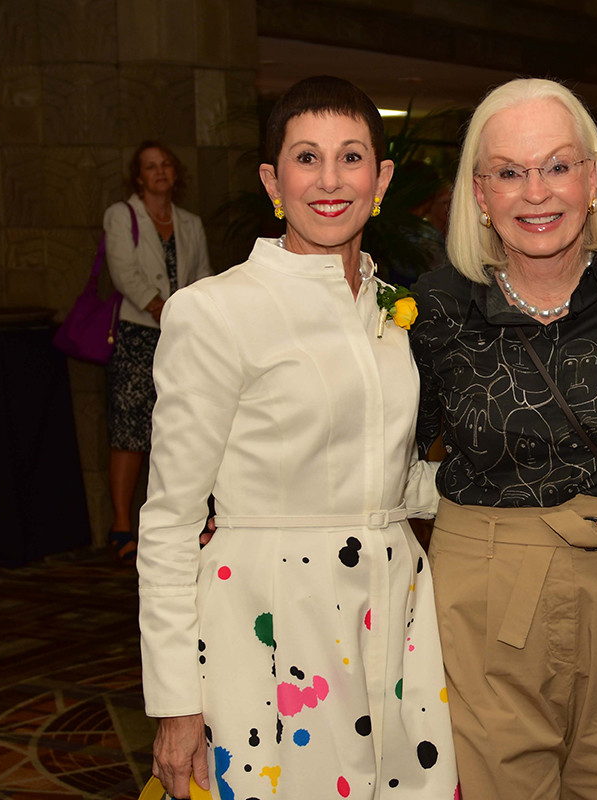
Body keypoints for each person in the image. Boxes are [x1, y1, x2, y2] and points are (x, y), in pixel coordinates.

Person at [137, 76, 457, 799]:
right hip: (268, 622)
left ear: (382, 180)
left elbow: (386, 475)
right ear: (272, 181)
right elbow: (170, 521)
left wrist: (509, 474)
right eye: (307, 157)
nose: (330, 179)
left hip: (391, 612)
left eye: (351, 157)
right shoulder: (216, 311)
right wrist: (176, 701)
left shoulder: (389, 309)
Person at [409, 78, 597, 800]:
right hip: (484, 585)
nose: (536, 193)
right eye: (509, 172)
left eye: (558, 166)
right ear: (480, 192)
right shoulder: (437, 304)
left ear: (592, 178)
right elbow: (388, 444)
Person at [105, 141, 212, 564]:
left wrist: (197, 315)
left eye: (166, 164)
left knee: (182, 428)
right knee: (130, 432)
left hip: (182, 336)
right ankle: (120, 525)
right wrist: (162, 308)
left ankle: (181, 523)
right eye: (151, 166)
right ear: (138, 176)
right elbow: (124, 272)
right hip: (138, 334)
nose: (160, 171)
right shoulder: (122, 215)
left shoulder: (190, 222)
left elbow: (203, 273)